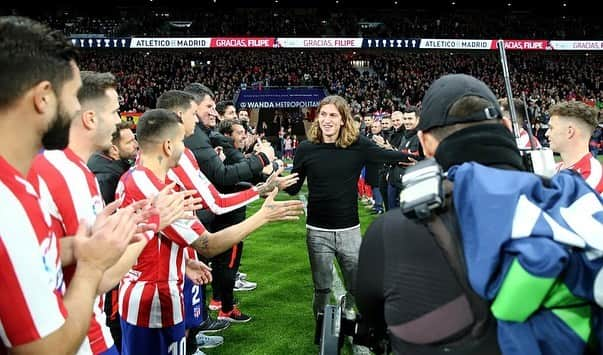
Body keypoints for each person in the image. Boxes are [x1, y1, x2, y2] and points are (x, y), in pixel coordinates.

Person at [356, 74, 603, 355]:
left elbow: (371, 316)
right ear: (507, 127)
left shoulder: (390, 233)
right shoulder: (572, 200)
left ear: (425, 144)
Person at [0, 16, 142, 354]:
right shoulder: (8, 200)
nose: (79, 108)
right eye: (73, 95)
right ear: (43, 98)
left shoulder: (22, 182)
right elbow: (45, 351)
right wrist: (92, 265)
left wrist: (77, 248)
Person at [117, 108, 303, 355]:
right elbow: (207, 244)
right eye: (182, 141)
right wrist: (262, 217)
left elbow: (149, 239)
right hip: (155, 300)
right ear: (168, 146)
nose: (186, 148)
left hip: (141, 292)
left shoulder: (134, 177)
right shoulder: (159, 191)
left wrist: (183, 262)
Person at [29, 71, 189, 354]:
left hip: (85, 328)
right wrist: (153, 224)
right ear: (90, 118)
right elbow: (100, 277)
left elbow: (73, 254)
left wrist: (131, 224)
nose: (119, 120)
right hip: (79, 339)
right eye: (115, 111)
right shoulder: (62, 173)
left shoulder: (78, 171)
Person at [284, 95, 412, 324]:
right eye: (323, 114)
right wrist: (274, 184)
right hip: (317, 232)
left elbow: (386, 155)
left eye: (333, 115)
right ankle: (322, 331)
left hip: (349, 231)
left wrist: (414, 156)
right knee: (322, 288)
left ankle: (351, 321)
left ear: (343, 119)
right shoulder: (305, 148)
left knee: (355, 287)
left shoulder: (358, 145)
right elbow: (294, 187)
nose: (327, 120)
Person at [87, 120, 138, 351]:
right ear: (114, 149)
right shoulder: (107, 178)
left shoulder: (113, 171)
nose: (136, 144)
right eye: (131, 141)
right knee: (113, 313)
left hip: (114, 262)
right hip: (110, 264)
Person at [545, 101, 603, 193]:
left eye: (551, 128)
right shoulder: (554, 169)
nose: (546, 133)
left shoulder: (592, 175)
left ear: (570, 132)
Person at [88, 121, 138, 204]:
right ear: (114, 150)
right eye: (129, 142)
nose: (136, 145)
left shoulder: (109, 166)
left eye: (134, 139)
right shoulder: (106, 181)